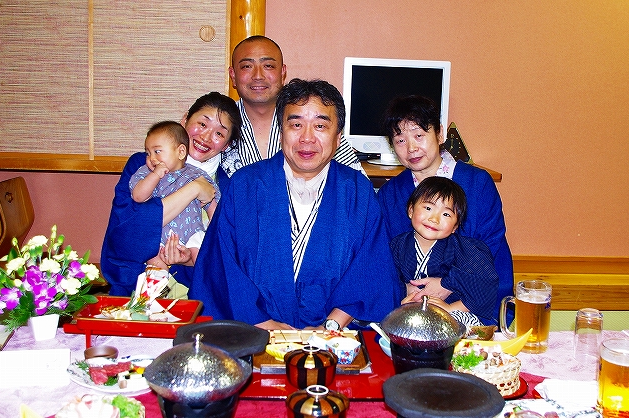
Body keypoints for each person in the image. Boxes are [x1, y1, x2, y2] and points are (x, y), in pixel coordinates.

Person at [189, 78, 402, 330]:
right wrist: (264, 325)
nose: (306, 138)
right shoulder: (245, 185)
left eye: (320, 126)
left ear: (338, 138)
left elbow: (370, 268)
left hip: (333, 337)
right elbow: (221, 266)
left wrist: (330, 327)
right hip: (253, 332)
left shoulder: (357, 191)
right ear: (281, 131)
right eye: (296, 124)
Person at [376, 95, 513, 326]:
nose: (411, 148)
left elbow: (490, 245)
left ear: (439, 134)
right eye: (400, 140)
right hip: (410, 303)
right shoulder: (390, 194)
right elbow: (383, 255)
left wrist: (447, 284)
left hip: (470, 302)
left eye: (419, 135)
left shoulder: (477, 183)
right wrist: (406, 289)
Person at [101, 92, 242, 296]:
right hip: (135, 292)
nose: (206, 137)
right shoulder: (145, 165)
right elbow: (128, 231)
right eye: (202, 124)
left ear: (226, 144)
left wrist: (188, 259)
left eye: (219, 134)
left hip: (196, 301)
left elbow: (223, 250)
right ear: (185, 119)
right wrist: (194, 189)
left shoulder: (227, 186)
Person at [221, 35, 363, 176]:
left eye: (268, 66)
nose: (258, 76)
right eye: (247, 66)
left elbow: (356, 181)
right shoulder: (218, 125)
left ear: (282, 72)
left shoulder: (317, 122)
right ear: (233, 75)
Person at [391, 176, 499, 327]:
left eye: (446, 214)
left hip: (451, 315)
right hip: (409, 312)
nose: (434, 219)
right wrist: (403, 290)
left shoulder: (464, 248)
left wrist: (450, 307)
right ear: (411, 210)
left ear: (455, 226)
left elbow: (484, 285)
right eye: (428, 208)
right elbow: (386, 280)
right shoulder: (397, 245)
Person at [129, 120, 220, 271]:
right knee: (151, 257)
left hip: (191, 233)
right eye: (148, 153)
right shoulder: (146, 173)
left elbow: (212, 205)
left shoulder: (196, 175)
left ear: (181, 152)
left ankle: (203, 282)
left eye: (157, 151)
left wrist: (213, 227)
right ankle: (157, 284)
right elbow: (138, 196)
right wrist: (155, 175)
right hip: (158, 236)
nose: (152, 158)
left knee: (203, 255)